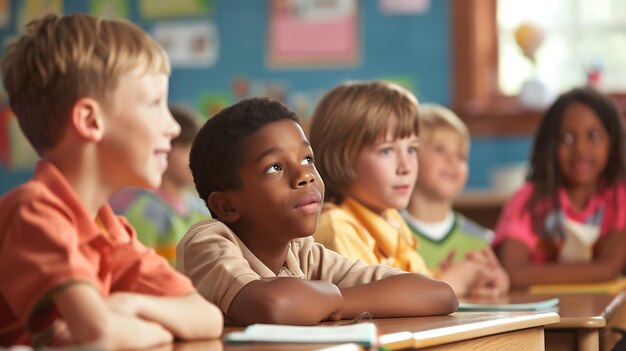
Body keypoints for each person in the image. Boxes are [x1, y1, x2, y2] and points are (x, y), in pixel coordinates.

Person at [0, 13, 222, 349]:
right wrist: (159, 328)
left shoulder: (109, 229)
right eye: (154, 104)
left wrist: (133, 306)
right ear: (90, 120)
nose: (173, 127)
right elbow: (100, 333)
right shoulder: (35, 210)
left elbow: (207, 318)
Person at [177, 97, 458, 326]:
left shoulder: (302, 253)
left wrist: (330, 303)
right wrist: (336, 298)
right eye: (274, 167)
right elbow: (274, 305)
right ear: (227, 206)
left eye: (307, 159)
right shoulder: (208, 241)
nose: (305, 176)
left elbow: (439, 294)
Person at [310, 81, 508, 297]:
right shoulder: (338, 228)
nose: (406, 166)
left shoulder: (393, 221)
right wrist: (451, 283)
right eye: (387, 151)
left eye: (412, 149)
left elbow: (413, 279)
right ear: (342, 158)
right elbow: (374, 305)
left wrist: (476, 279)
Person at [494, 87, 626, 288]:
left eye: (593, 136)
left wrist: (534, 273)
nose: (580, 149)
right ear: (550, 144)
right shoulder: (528, 200)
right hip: (539, 317)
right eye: (566, 138)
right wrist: (597, 269)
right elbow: (513, 271)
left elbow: (610, 267)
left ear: (613, 142)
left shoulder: (620, 198)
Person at [401, 104, 508, 290]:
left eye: (461, 156)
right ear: (411, 156)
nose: (452, 161)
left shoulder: (480, 241)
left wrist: (498, 282)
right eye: (439, 150)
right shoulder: (391, 235)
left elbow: (495, 288)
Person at [111, 105, 209, 266]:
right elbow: (137, 269)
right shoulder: (142, 210)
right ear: (163, 149)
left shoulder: (200, 210)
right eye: (187, 148)